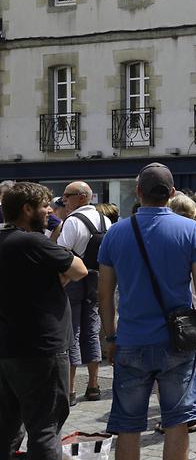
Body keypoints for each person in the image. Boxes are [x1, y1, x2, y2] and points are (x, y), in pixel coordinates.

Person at [98, 163, 196, 460]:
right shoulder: (190, 230)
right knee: (177, 424)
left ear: (138, 192)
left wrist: (110, 336)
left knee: (128, 425)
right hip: (177, 341)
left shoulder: (116, 233)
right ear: (172, 193)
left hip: (131, 338)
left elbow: (105, 292)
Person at [0, 182, 88, 460]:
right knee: (45, 427)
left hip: (7, 348)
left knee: (7, 425)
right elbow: (79, 268)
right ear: (27, 209)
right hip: (42, 348)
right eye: (44, 206)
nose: (50, 210)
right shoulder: (32, 241)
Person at [57, 181, 111, 406]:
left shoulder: (71, 222)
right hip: (96, 278)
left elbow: (61, 254)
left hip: (74, 279)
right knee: (92, 329)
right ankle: (93, 385)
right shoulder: (105, 220)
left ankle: (69, 389)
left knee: (73, 332)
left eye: (67, 196)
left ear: (80, 197)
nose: (64, 200)